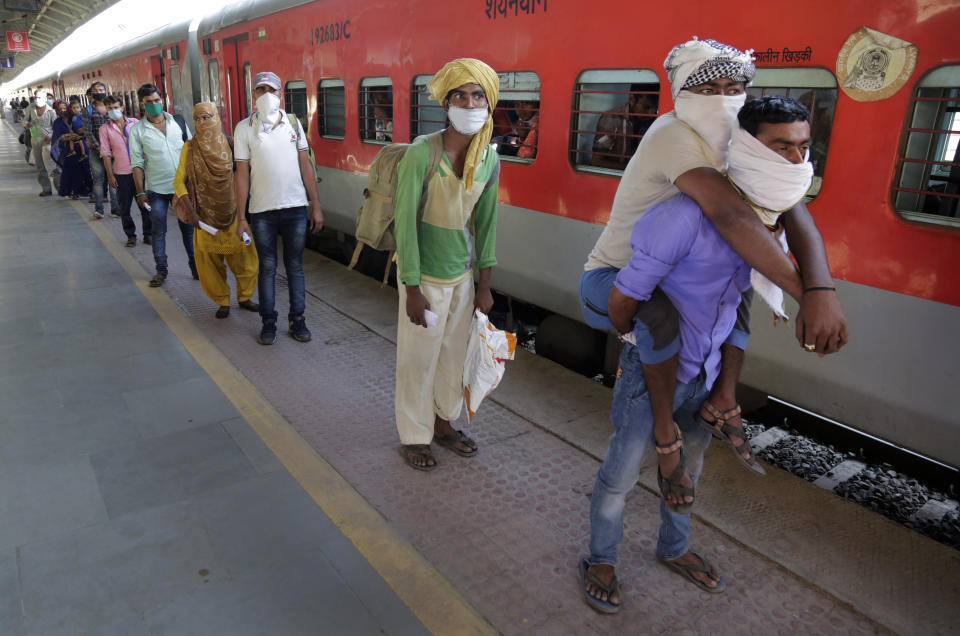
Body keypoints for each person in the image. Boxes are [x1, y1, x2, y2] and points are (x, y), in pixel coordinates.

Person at [581, 95, 820, 613]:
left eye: (804, 148)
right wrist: (634, 343)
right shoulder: (680, 218)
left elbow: (737, 313)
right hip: (651, 376)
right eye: (783, 147)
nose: (798, 162)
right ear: (751, 148)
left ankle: (674, 548)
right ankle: (600, 557)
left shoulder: (759, 228)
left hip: (704, 377)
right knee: (621, 475)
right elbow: (627, 303)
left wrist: (726, 391)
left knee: (689, 473)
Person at [579, 38, 847, 494]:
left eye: (734, 87)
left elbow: (796, 210)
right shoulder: (673, 135)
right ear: (682, 93)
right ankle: (665, 438)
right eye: (708, 89)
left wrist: (822, 293)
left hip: (682, 275)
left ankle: (724, 402)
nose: (723, 98)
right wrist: (807, 297)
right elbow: (730, 215)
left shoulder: (737, 142)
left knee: (736, 295)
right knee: (661, 314)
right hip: (617, 275)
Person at [393, 58, 501, 471]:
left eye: (478, 96)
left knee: (453, 357)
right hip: (425, 279)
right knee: (417, 360)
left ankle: (443, 423)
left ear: (489, 104)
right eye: (460, 95)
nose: (469, 103)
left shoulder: (489, 160)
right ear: (447, 103)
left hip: (462, 279)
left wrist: (485, 284)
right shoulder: (423, 153)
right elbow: (405, 225)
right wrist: (412, 288)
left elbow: (488, 226)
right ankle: (414, 435)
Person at [234, 71, 323, 344]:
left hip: (295, 208)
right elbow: (242, 174)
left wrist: (315, 205)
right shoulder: (244, 128)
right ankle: (268, 323)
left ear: (281, 94)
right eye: (260, 90)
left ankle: (298, 321)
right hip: (261, 212)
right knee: (267, 268)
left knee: (295, 266)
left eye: (271, 90)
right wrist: (241, 217)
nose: (266, 95)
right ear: (253, 95)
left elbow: (305, 165)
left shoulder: (293, 124)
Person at [173, 102, 260, 318]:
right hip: (203, 217)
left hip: (233, 215)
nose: (202, 123)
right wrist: (190, 211)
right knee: (210, 263)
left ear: (217, 118)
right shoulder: (189, 148)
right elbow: (178, 182)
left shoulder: (231, 144)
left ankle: (245, 296)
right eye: (197, 119)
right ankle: (222, 301)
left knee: (245, 260)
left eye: (206, 117)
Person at [130, 83, 197, 286]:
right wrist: (140, 193)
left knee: (189, 230)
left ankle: (196, 268)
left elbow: (191, 151)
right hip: (156, 189)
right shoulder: (137, 131)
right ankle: (161, 271)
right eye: (149, 102)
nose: (154, 105)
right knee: (159, 231)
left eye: (157, 100)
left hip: (181, 188)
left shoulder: (177, 121)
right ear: (142, 105)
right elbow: (137, 163)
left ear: (163, 99)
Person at [100, 95, 149, 246]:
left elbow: (146, 144)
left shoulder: (135, 123)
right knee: (124, 207)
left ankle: (148, 234)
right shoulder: (105, 129)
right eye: (109, 108)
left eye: (115, 107)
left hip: (140, 171)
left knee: (145, 204)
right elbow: (106, 154)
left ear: (122, 108)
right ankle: (131, 235)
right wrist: (110, 176)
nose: (113, 111)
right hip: (121, 173)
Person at [591, 84, 659, 170]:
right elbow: (597, 161)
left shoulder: (653, 121)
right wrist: (634, 170)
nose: (650, 113)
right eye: (646, 107)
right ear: (632, 99)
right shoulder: (612, 119)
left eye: (655, 108)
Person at [82, 84, 120, 217]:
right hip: (96, 151)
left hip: (114, 151)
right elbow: (88, 132)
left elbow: (119, 126)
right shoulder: (88, 110)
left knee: (113, 179)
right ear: (92, 93)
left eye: (101, 90)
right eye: (96, 91)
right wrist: (100, 149)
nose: (99, 93)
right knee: (98, 180)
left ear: (106, 91)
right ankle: (99, 210)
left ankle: (115, 209)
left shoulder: (112, 108)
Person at [53, 99, 93, 200]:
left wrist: (79, 135)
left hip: (81, 147)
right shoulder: (57, 122)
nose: (63, 110)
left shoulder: (75, 118)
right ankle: (74, 191)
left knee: (86, 169)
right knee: (72, 172)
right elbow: (58, 137)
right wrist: (68, 137)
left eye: (64, 108)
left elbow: (85, 129)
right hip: (68, 150)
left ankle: (89, 191)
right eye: (60, 108)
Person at [24, 89, 58, 196]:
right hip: (35, 140)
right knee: (40, 166)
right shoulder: (31, 108)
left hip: (49, 141)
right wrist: (26, 124)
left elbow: (56, 127)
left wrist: (51, 136)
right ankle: (46, 189)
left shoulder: (51, 111)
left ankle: (60, 188)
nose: (37, 100)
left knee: (54, 166)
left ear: (45, 98)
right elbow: (25, 120)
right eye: (35, 97)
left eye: (39, 97)